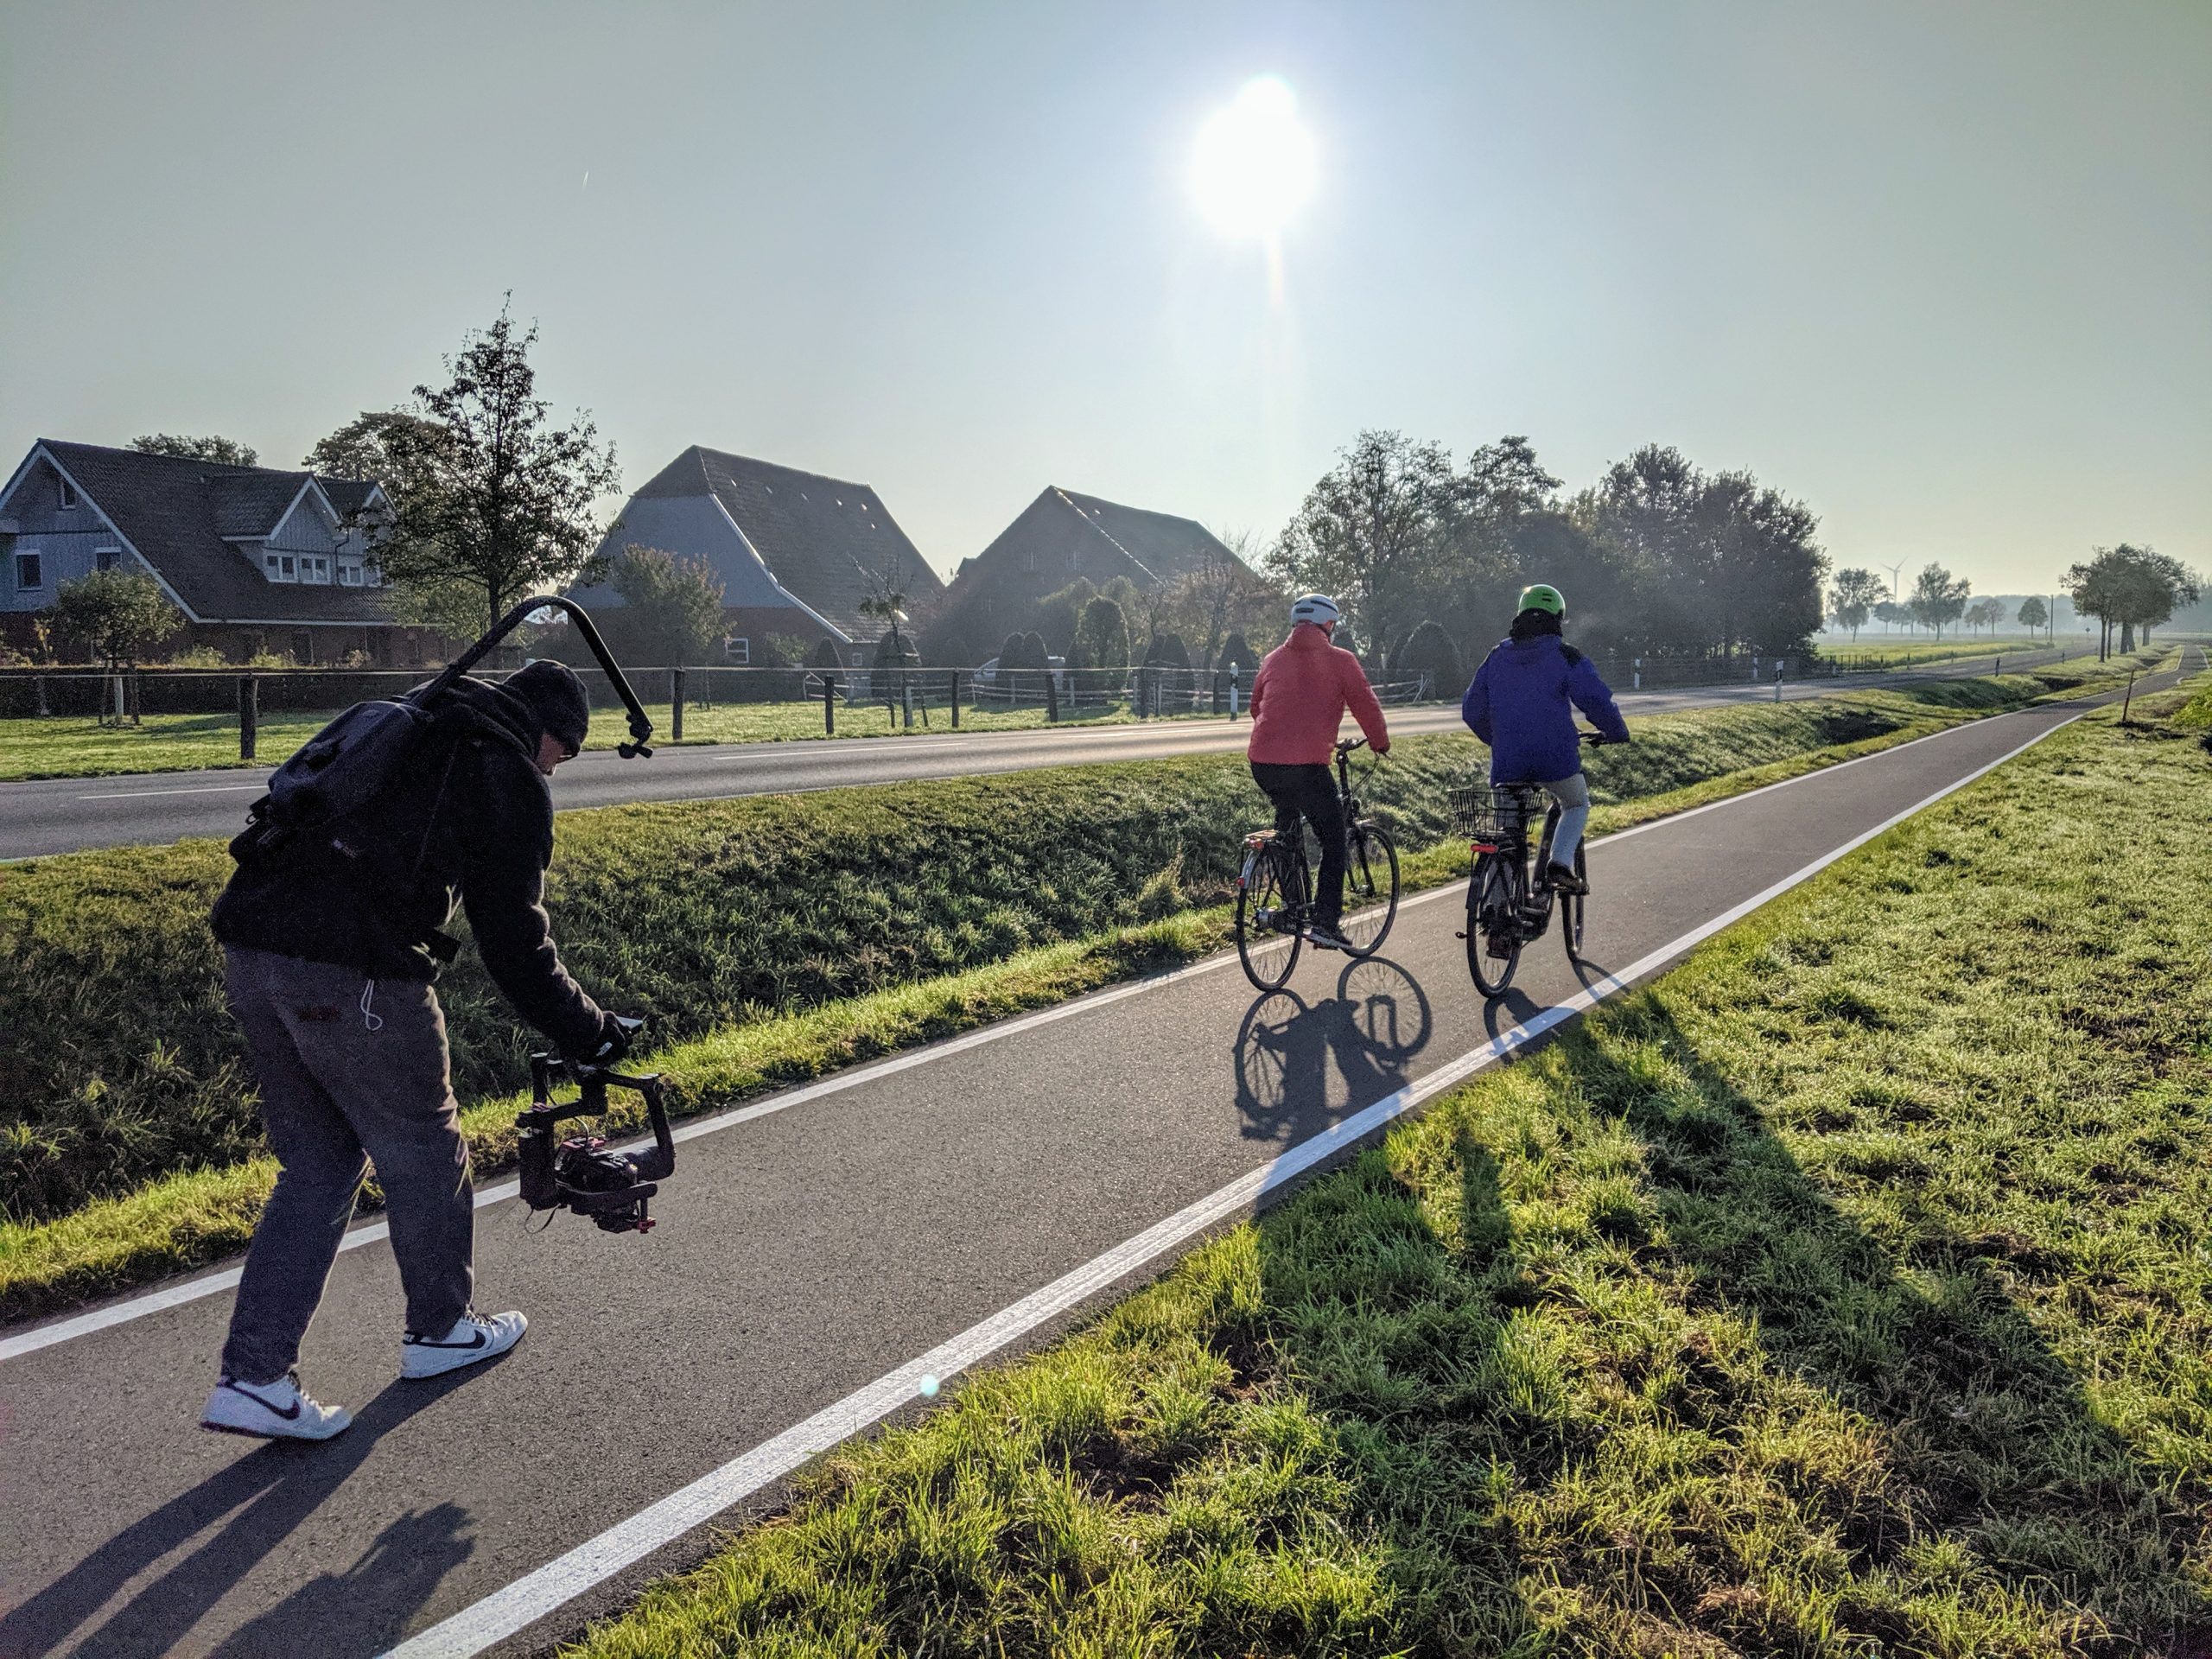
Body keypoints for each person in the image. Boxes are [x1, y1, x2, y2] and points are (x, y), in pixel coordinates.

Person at [200, 659, 632, 1440]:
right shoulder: (502, 769)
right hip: (353, 968)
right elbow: (514, 942)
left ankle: (254, 1377)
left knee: (322, 1163)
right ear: (548, 734)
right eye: (561, 756)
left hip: (251, 942)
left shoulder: (417, 721)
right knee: (425, 1147)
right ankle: (441, 1331)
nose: (554, 771)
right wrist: (590, 1031)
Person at [1460, 583, 1630, 894]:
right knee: (1576, 803)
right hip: (1556, 759)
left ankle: (1496, 919)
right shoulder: (1565, 655)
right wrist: (1616, 732)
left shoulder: (1496, 656)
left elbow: (1471, 710)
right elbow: (1596, 700)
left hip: (1508, 763)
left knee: (1506, 833)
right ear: (1558, 619)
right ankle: (1560, 863)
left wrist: (1497, 740)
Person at [1246, 594, 1391, 951]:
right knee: (1334, 838)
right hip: (1308, 766)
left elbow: (1255, 706)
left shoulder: (1272, 659)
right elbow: (1364, 703)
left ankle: (1291, 908)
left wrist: (1280, 736)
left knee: (1287, 826)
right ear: (1329, 625)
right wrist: (1380, 743)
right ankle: (1325, 923)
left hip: (1263, 762)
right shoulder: (1341, 660)